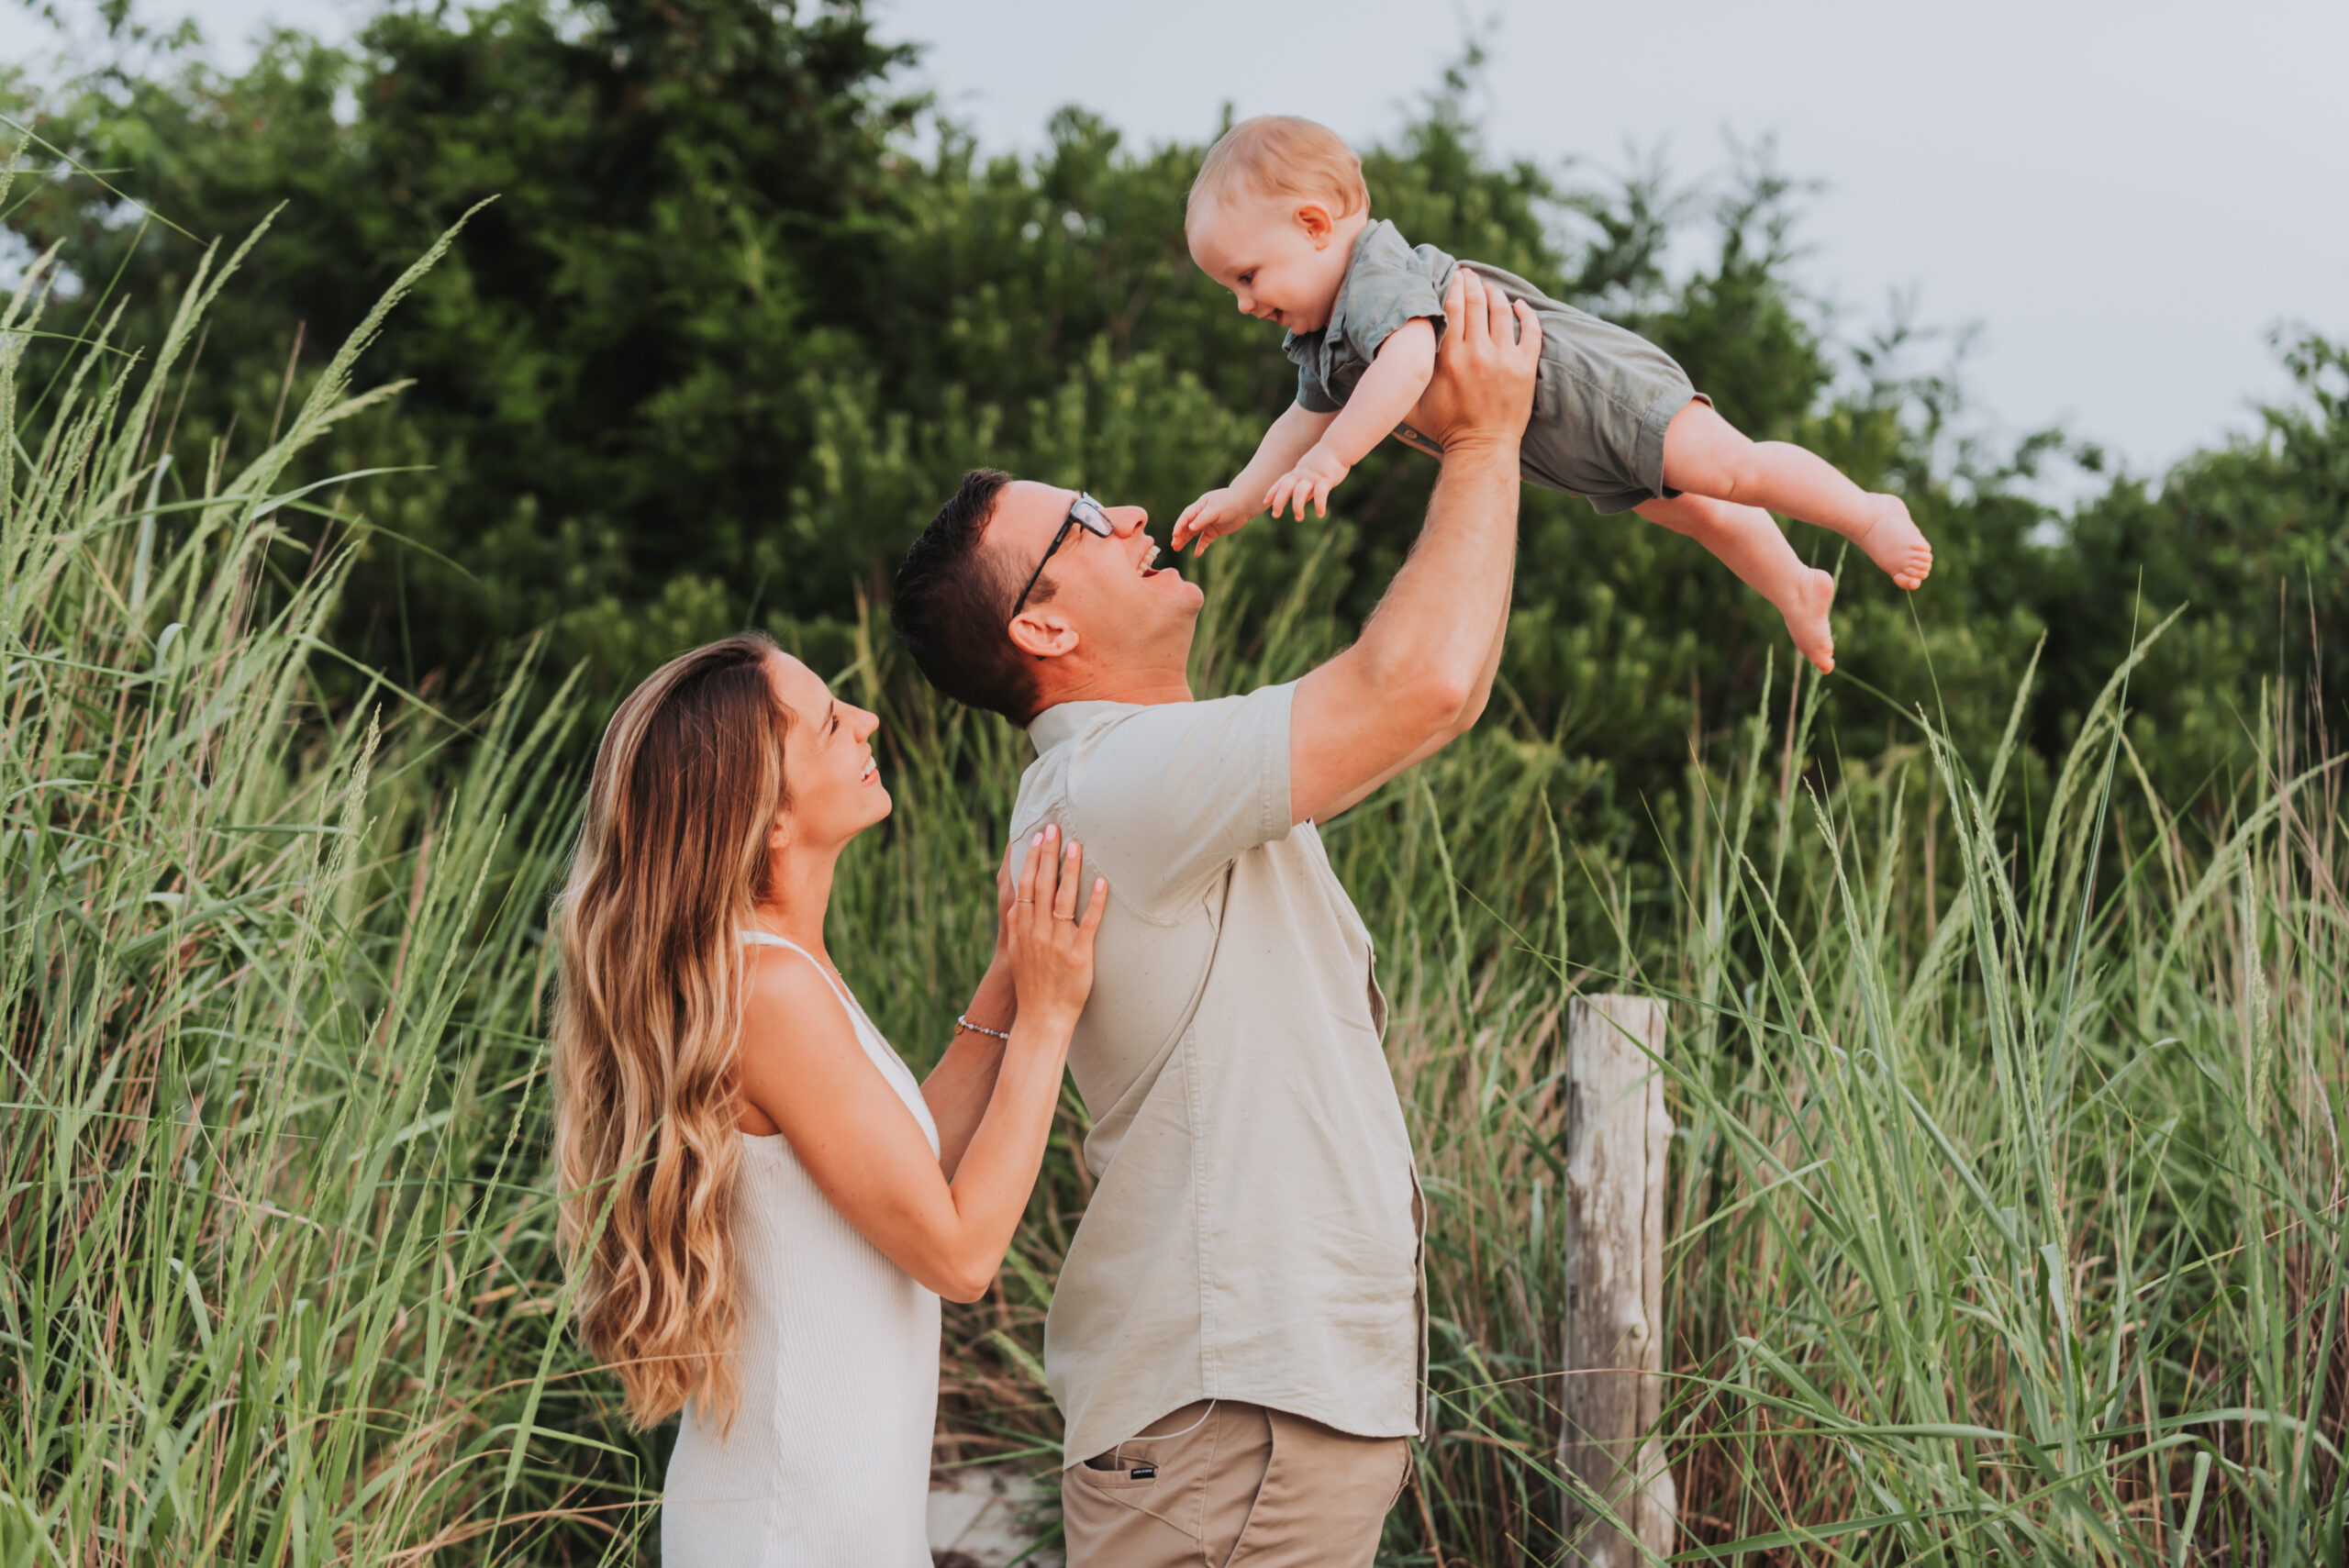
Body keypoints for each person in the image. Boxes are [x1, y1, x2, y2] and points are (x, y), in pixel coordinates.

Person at [888, 267, 1541, 1566]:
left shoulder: (1131, 781)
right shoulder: (1118, 780)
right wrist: (1482, 441)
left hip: (1252, 1423)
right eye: (1081, 519)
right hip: (1228, 1425)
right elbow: (1425, 685)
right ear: (1047, 621)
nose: (1128, 510)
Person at [548, 630, 1105, 1566]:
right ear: (766, 815)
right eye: (830, 721)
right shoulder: (767, 990)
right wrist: (1048, 1017)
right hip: (790, 1531)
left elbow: (901, 1176)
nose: (868, 720)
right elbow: (961, 1251)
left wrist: (1005, 984)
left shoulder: (777, 969)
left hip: (817, 1520)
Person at [1174, 114, 1939, 676]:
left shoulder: (1370, 278)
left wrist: (1333, 462)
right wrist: (1244, 495)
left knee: (1730, 468)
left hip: (1588, 388)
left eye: (1247, 276)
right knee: (1699, 509)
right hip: (1553, 441)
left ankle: (1868, 511)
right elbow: (1298, 421)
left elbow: (1407, 363)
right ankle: (1794, 585)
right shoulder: (1323, 332)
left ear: (1314, 226)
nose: (1243, 302)